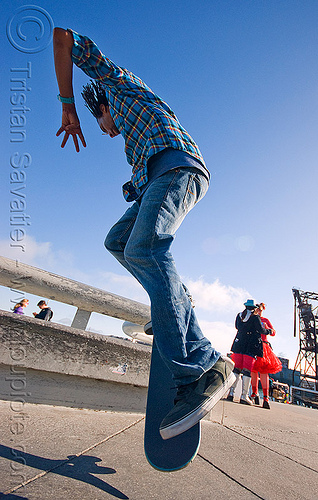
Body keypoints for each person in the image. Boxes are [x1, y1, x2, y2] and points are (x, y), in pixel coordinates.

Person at [53, 27, 235, 440]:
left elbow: (62, 38)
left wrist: (68, 104)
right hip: (157, 177)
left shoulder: (116, 82)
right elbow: (140, 181)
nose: (104, 130)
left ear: (102, 105)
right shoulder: (134, 148)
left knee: (145, 246)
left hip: (178, 167)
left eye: (101, 121)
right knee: (118, 241)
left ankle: (200, 369)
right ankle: (174, 304)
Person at [227, 299, 267, 405]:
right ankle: (244, 396)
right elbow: (260, 330)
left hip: (239, 343)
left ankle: (231, 393)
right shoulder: (255, 317)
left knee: (236, 369)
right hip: (251, 345)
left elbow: (237, 327)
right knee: (247, 370)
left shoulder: (239, 315)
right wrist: (269, 331)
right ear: (253, 308)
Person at [250, 303, 282, 409]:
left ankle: (265, 397)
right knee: (253, 371)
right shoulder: (252, 318)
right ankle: (254, 393)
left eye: (261, 310)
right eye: (258, 310)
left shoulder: (265, 320)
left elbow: (273, 332)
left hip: (263, 346)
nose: (259, 312)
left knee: (263, 372)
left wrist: (268, 329)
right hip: (254, 344)